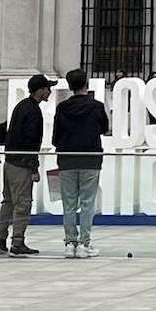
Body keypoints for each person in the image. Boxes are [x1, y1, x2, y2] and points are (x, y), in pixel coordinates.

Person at [0, 74, 52, 257]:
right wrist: (34, 168)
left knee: (8, 201)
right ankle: (18, 242)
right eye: (48, 88)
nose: (50, 92)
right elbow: (31, 142)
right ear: (40, 91)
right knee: (23, 203)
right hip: (22, 165)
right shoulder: (34, 111)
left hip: (10, 161)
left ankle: (0, 238)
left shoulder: (21, 106)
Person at [52, 69, 109, 258]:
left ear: (69, 86)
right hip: (90, 158)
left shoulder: (61, 108)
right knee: (87, 203)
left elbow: (55, 137)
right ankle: (85, 244)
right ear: (87, 84)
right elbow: (104, 128)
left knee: (68, 204)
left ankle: (70, 243)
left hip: (67, 159)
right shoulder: (96, 106)